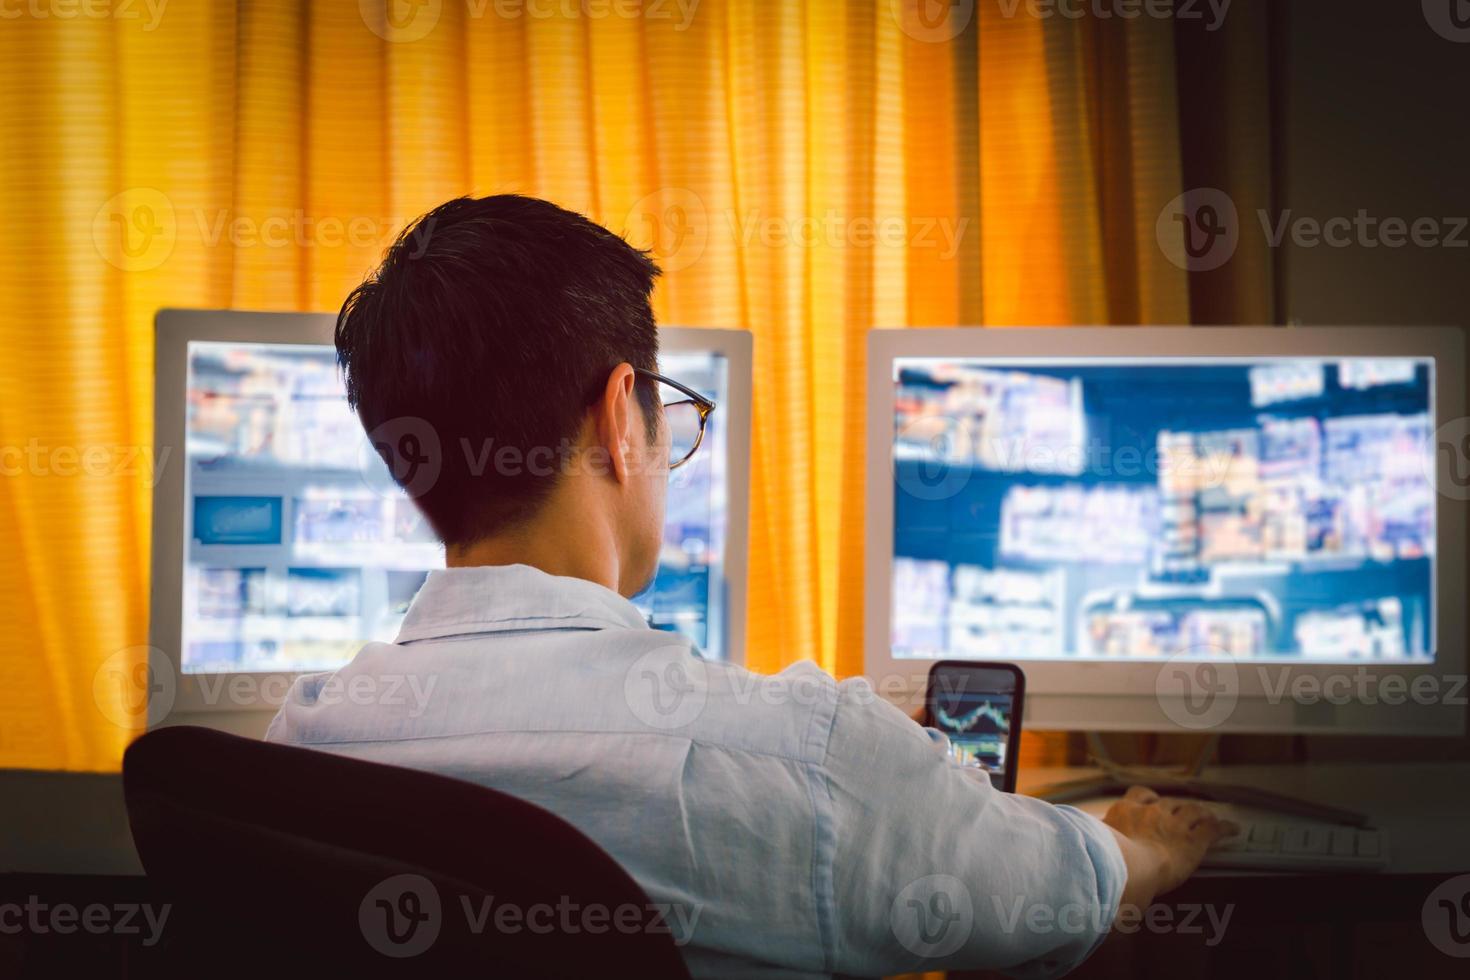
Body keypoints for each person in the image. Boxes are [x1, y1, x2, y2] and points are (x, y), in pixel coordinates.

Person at [266, 194, 1234, 977]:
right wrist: (1139, 850)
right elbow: (1052, 892)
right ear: (619, 419)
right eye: (665, 416)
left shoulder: (296, 749)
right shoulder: (804, 758)